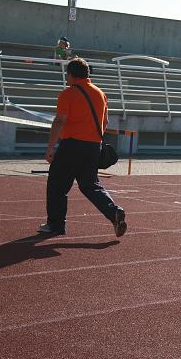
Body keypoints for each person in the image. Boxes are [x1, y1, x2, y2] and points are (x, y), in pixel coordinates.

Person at [39, 58, 127, 237]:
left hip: (71, 146)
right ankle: (113, 211)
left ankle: (56, 225)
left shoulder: (68, 94)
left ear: (71, 74)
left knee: (57, 185)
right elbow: (105, 121)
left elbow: (60, 121)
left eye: (67, 74)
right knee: (90, 185)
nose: (66, 77)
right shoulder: (100, 93)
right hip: (93, 147)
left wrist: (50, 147)